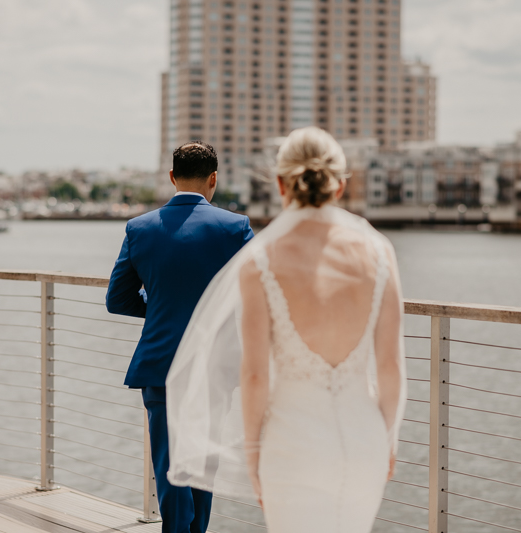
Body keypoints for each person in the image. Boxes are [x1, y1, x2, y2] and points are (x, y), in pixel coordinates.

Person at [166, 127, 407, 533]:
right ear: (341, 184)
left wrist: (255, 456)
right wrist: (388, 439)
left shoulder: (260, 261)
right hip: (363, 438)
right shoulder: (379, 252)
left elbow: (255, 374)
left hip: (292, 445)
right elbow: (391, 369)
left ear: (280, 183)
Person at [106, 141, 254, 533]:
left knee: (170, 465)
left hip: (160, 364)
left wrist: (158, 308)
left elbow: (117, 299)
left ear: (171, 177)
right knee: (203, 465)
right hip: (213, 365)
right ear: (214, 179)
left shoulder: (139, 228)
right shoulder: (235, 227)